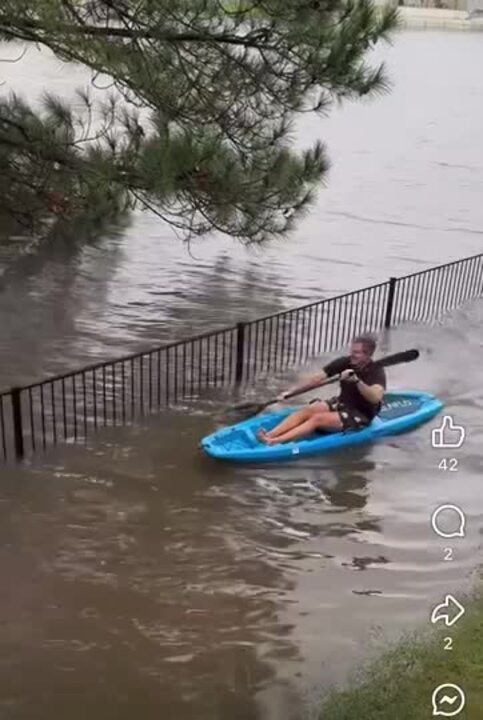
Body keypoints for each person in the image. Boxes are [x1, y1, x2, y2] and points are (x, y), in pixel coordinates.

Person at [257, 334, 386, 445]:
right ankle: (271, 434)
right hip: (343, 403)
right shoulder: (345, 362)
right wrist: (290, 392)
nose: (352, 355)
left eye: (356, 352)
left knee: (317, 419)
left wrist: (357, 381)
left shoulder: (376, 370)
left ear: (368, 354)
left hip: (361, 414)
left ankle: (275, 441)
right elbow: (316, 379)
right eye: (352, 351)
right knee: (309, 409)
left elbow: (375, 397)